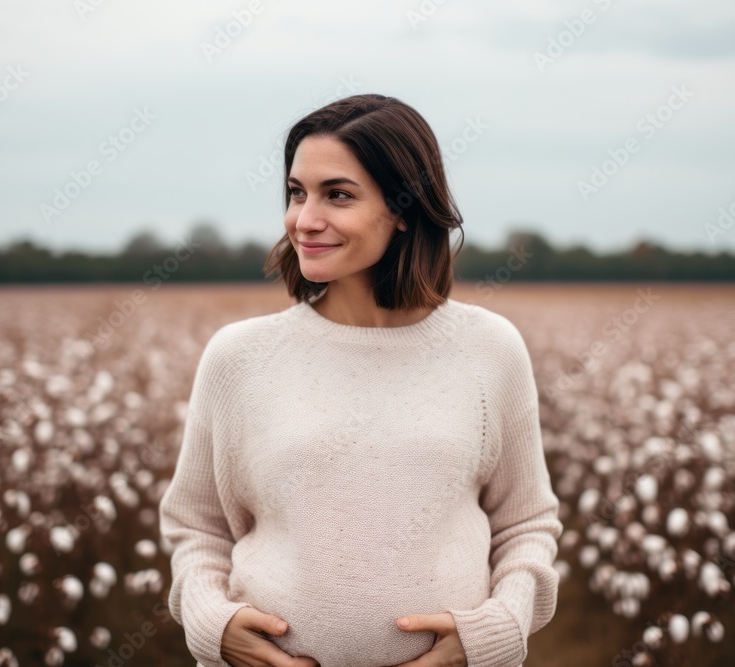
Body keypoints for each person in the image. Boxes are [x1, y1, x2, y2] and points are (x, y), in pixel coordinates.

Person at [158, 93, 563, 667]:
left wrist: (491, 636)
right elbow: (195, 527)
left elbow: (526, 524)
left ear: (404, 208)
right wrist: (212, 626)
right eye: (297, 193)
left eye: (338, 195)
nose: (305, 219)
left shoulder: (489, 349)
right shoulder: (239, 356)